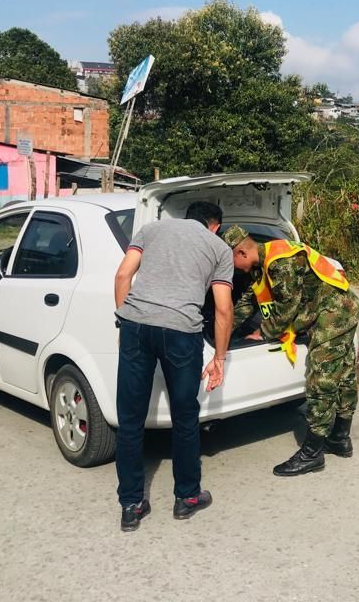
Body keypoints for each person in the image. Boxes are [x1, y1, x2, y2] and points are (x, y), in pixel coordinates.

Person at [112, 201, 234, 532]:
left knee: (131, 419)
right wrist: (219, 358)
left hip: (137, 324)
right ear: (214, 225)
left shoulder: (151, 229)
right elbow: (223, 309)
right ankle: (187, 497)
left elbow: (123, 274)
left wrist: (126, 322)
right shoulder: (219, 248)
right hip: (182, 332)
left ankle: (131, 504)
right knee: (184, 417)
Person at [223, 225, 359, 477]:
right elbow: (248, 302)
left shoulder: (280, 263)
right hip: (334, 311)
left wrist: (263, 332)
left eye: (231, 261)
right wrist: (222, 330)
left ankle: (312, 454)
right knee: (343, 374)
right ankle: (340, 438)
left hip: (334, 313)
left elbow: (287, 309)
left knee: (321, 379)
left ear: (241, 253)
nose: (233, 269)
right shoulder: (262, 266)